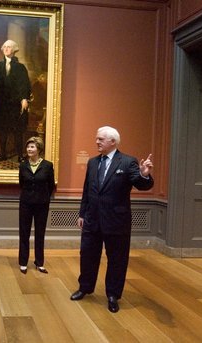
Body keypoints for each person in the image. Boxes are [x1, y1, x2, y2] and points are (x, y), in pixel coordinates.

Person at [70, 126, 153, 313]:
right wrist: (82, 213)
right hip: (92, 220)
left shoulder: (128, 162)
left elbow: (141, 185)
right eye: (96, 139)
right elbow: (87, 190)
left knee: (117, 259)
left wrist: (144, 174)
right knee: (88, 256)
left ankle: (113, 295)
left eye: (100, 139)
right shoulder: (92, 163)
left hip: (117, 222)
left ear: (113, 142)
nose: (96, 142)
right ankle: (85, 287)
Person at [18, 136, 55, 274]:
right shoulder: (23, 165)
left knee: (40, 233)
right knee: (24, 233)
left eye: (32, 147)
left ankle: (39, 263)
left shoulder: (47, 165)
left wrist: (43, 197)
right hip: (26, 203)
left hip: (42, 204)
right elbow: (22, 184)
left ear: (38, 149)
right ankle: (23, 262)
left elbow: (50, 185)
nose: (29, 149)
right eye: (28, 146)